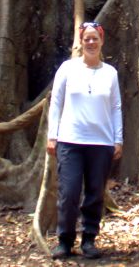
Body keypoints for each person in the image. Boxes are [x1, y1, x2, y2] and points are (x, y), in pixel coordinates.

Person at [47, 21, 123, 260]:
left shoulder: (110, 72)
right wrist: (52, 135)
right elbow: (56, 103)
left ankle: (89, 239)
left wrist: (117, 139)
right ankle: (65, 240)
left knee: (95, 194)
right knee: (68, 193)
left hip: (101, 143)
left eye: (95, 38)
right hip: (70, 141)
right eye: (86, 38)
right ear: (81, 42)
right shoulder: (67, 69)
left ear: (101, 41)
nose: (91, 42)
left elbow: (116, 107)